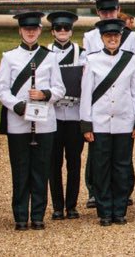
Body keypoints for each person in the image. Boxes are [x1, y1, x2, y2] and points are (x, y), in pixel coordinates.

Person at [0, 12, 63, 231]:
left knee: (40, 170)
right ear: (20, 31)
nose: (30, 32)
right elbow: (2, 89)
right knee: (20, 169)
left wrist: (44, 94)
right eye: (26, 29)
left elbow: (59, 89)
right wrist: (18, 106)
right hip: (19, 122)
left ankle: (37, 215)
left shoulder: (50, 57)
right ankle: (19, 216)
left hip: (44, 123)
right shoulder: (9, 57)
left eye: (34, 29)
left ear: (40, 31)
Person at [80, 17, 135, 226]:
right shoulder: (92, 60)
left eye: (116, 36)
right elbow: (86, 93)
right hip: (100, 122)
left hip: (124, 121)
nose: (113, 39)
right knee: (101, 167)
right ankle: (104, 210)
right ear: (102, 38)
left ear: (121, 37)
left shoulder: (130, 59)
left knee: (122, 167)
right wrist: (86, 123)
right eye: (108, 36)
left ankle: (120, 209)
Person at [44, 11, 86, 220]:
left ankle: (72, 205)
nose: (62, 32)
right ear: (52, 31)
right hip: (53, 115)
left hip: (75, 115)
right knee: (54, 162)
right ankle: (57, 205)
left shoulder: (82, 53)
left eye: (66, 28)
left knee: (74, 162)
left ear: (71, 30)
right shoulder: (45, 53)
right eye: (58, 28)